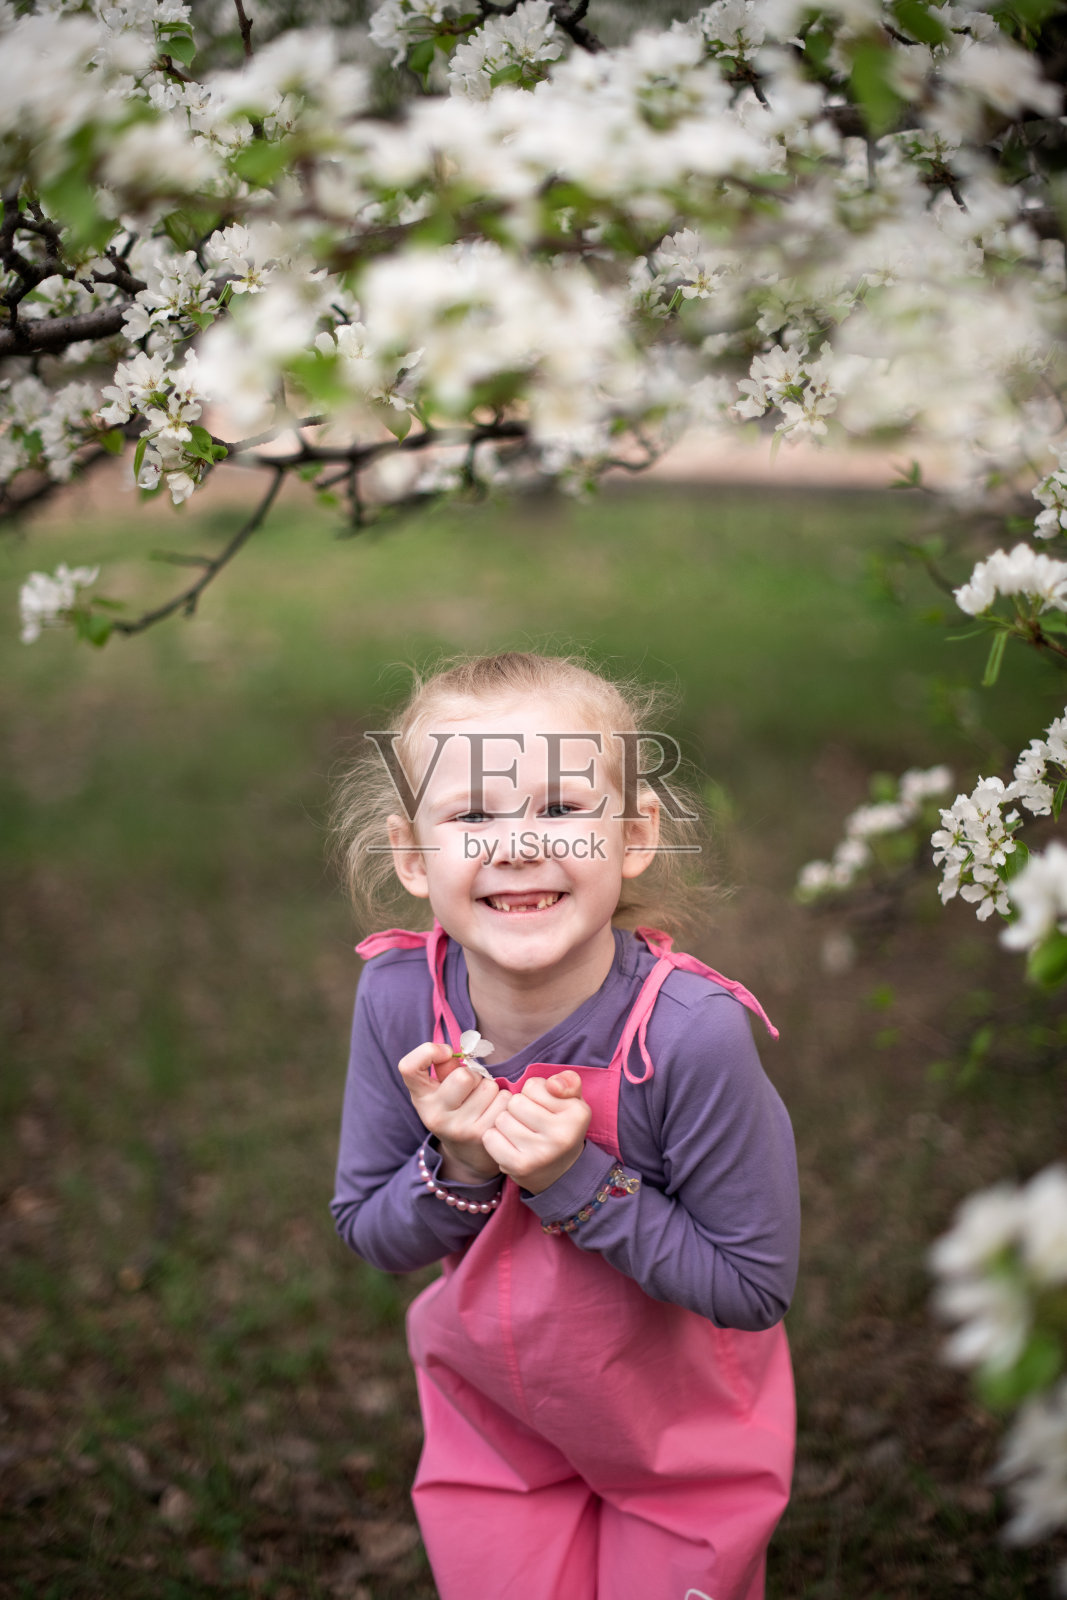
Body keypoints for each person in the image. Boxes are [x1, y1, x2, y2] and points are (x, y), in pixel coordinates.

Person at [331, 651, 799, 1600]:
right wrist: (460, 1159)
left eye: (559, 807)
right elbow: (369, 1232)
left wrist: (571, 1181)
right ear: (412, 857)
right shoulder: (396, 997)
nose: (517, 846)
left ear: (633, 837)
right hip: (495, 1426)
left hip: (681, 1446)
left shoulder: (690, 1035)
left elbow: (753, 1285)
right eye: (471, 817)